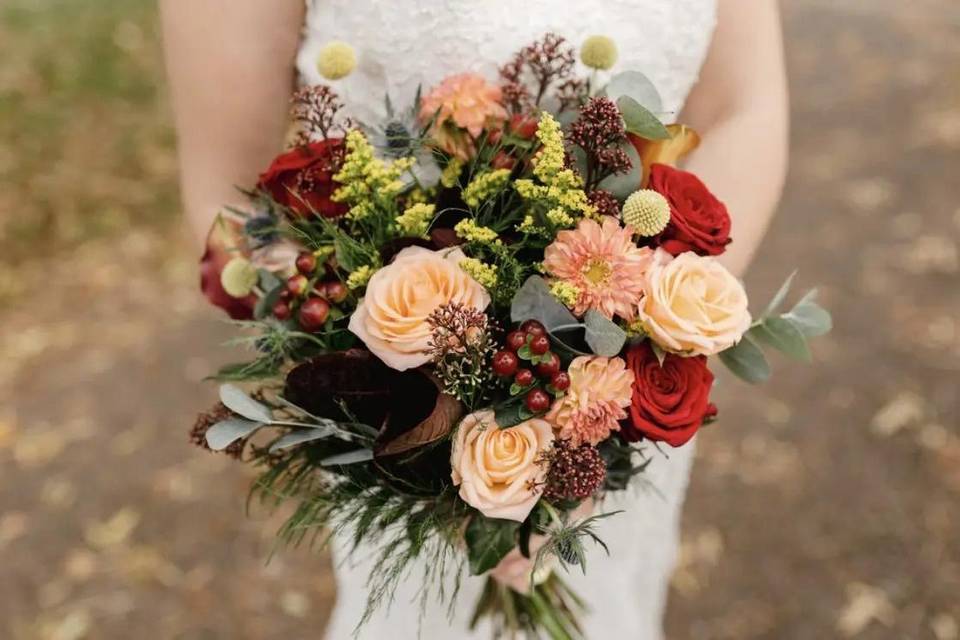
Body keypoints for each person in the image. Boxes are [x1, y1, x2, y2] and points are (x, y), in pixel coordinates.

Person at [161, 1, 787, 638]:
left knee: (609, 602)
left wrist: (653, 318)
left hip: (616, 397)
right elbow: (228, 196)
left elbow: (743, 108)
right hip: (403, 422)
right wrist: (429, 408)